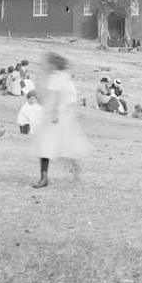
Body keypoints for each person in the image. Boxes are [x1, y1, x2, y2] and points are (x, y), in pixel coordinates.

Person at [32, 52, 91, 188]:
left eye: (47, 64)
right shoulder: (61, 77)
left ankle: (51, 175)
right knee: (49, 146)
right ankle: (45, 176)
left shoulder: (57, 78)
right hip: (57, 114)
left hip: (56, 116)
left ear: (53, 65)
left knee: (58, 146)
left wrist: (54, 112)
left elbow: (57, 97)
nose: (45, 66)